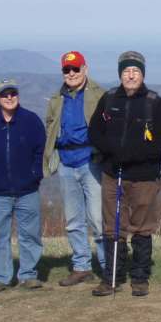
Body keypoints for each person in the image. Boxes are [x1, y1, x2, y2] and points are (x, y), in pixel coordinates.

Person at [88, 51, 161, 297]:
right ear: (120, 74)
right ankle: (112, 277)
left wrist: (132, 154)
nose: (130, 75)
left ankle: (140, 277)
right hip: (114, 173)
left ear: (142, 74)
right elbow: (95, 131)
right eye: (126, 71)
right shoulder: (109, 98)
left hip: (144, 175)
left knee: (142, 227)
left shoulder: (155, 102)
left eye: (135, 71)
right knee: (113, 227)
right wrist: (112, 151)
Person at [0, 78, 46, 291]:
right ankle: (1, 277)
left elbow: (41, 150)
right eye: (5, 94)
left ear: (18, 95)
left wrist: (35, 173)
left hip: (28, 189)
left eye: (12, 93)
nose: (9, 97)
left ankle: (29, 274)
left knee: (30, 234)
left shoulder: (31, 121)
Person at [44, 51, 106, 286]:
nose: (71, 74)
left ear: (85, 69)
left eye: (75, 69)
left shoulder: (99, 95)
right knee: (73, 220)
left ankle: (106, 266)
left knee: (98, 219)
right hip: (66, 163)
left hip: (91, 160)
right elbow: (50, 126)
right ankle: (81, 266)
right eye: (67, 70)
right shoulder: (56, 99)